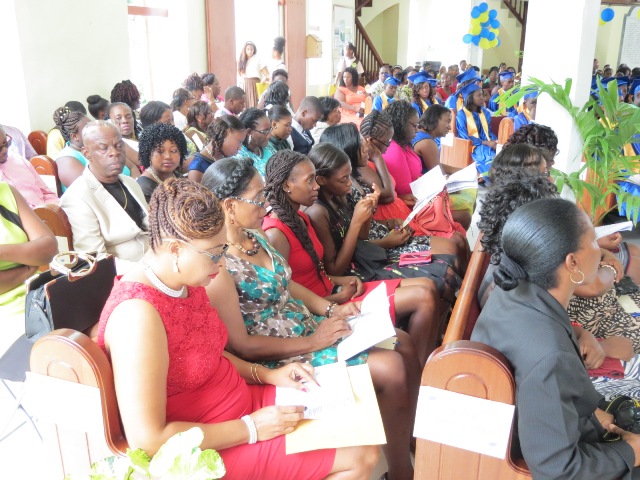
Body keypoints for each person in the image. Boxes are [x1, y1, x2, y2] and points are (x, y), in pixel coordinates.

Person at [97, 177, 378, 479]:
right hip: (207, 445)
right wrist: (251, 428)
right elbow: (149, 440)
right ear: (176, 250)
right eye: (215, 254)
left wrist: (268, 375)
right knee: (361, 455)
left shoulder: (184, 282)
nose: (221, 265)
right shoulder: (137, 316)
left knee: (357, 412)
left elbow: (209, 353)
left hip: (241, 405)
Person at [203, 158, 420, 480]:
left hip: (309, 329)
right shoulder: (218, 265)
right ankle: (402, 471)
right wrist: (313, 341)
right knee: (390, 366)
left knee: (401, 340)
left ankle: (404, 432)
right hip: (285, 353)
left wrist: (331, 309)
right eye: (259, 198)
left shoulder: (255, 236)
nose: (267, 204)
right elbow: (242, 345)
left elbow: (285, 282)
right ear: (230, 206)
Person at [472, 197, 640, 480]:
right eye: (593, 242)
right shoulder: (550, 356)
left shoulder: (513, 287)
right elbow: (558, 470)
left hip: (554, 424)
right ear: (572, 262)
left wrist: (579, 331)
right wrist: (632, 452)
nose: (600, 251)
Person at [263, 150, 444, 366]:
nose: (316, 186)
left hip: (335, 291)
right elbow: (285, 295)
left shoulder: (300, 217)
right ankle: (421, 368)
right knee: (423, 297)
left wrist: (339, 282)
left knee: (428, 287)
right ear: (287, 186)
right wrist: (334, 301)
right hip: (323, 307)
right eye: (309, 180)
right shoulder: (276, 233)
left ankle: (423, 362)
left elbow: (319, 271)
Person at [60, 121, 149, 274]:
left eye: (119, 146)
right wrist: (150, 271)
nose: (114, 152)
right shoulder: (77, 197)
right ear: (86, 153)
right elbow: (95, 259)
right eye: (104, 148)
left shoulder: (130, 183)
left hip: (155, 261)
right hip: (125, 275)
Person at [0, 182, 57, 355]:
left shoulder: (6, 192)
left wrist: (2, 252)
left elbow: (49, 248)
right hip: (9, 314)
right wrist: (27, 266)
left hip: (40, 293)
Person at [412, 105, 475, 230]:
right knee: (467, 196)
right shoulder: (427, 143)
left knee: (469, 188)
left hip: (424, 186)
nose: (450, 126)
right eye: (447, 121)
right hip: (421, 191)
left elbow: (438, 166)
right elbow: (436, 175)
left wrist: (462, 171)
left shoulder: (425, 137)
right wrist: (455, 185)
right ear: (434, 120)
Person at [0, 126, 58, 208]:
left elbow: (47, 194)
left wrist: (52, 212)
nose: (5, 150)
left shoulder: (19, 160)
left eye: (6, 143)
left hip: (46, 213)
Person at [187, 115, 247, 183]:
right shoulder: (197, 169)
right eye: (239, 142)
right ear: (226, 133)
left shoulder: (223, 158)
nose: (240, 148)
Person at [136, 123, 187, 202]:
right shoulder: (143, 188)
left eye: (173, 151)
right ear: (148, 153)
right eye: (160, 151)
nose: (168, 156)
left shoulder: (176, 175)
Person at [455, 83, 497, 179]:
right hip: (474, 147)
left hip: (486, 144)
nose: (483, 97)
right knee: (487, 157)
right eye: (479, 95)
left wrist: (495, 141)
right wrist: (485, 143)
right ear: (470, 98)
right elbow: (464, 138)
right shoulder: (461, 115)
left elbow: (488, 132)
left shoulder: (485, 113)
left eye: (482, 94)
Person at [53, 106, 91, 192]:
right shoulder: (66, 159)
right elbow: (87, 190)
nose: (95, 130)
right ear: (74, 136)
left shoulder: (92, 149)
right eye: (88, 128)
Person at [108, 102, 141, 177]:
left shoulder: (140, 135)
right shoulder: (117, 143)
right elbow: (141, 160)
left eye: (128, 116)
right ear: (110, 121)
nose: (124, 121)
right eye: (118, 118)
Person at [237, 108, 273, 177]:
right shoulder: (240, 159)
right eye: (264, 132)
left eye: (270, 129)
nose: (269, 136)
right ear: (249, 132)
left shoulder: (267, 147)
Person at [237, 41, 268, 109]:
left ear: (254, 50)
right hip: (245, 85)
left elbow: (267, 75)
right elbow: (240, 77)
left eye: (251, 49)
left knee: (256, 105)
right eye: (248, 49)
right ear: (245, 50)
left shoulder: (258, 58)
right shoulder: (242, 61)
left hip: (255, 83)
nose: (250, 51)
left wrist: (262, 82)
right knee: (246, 105)